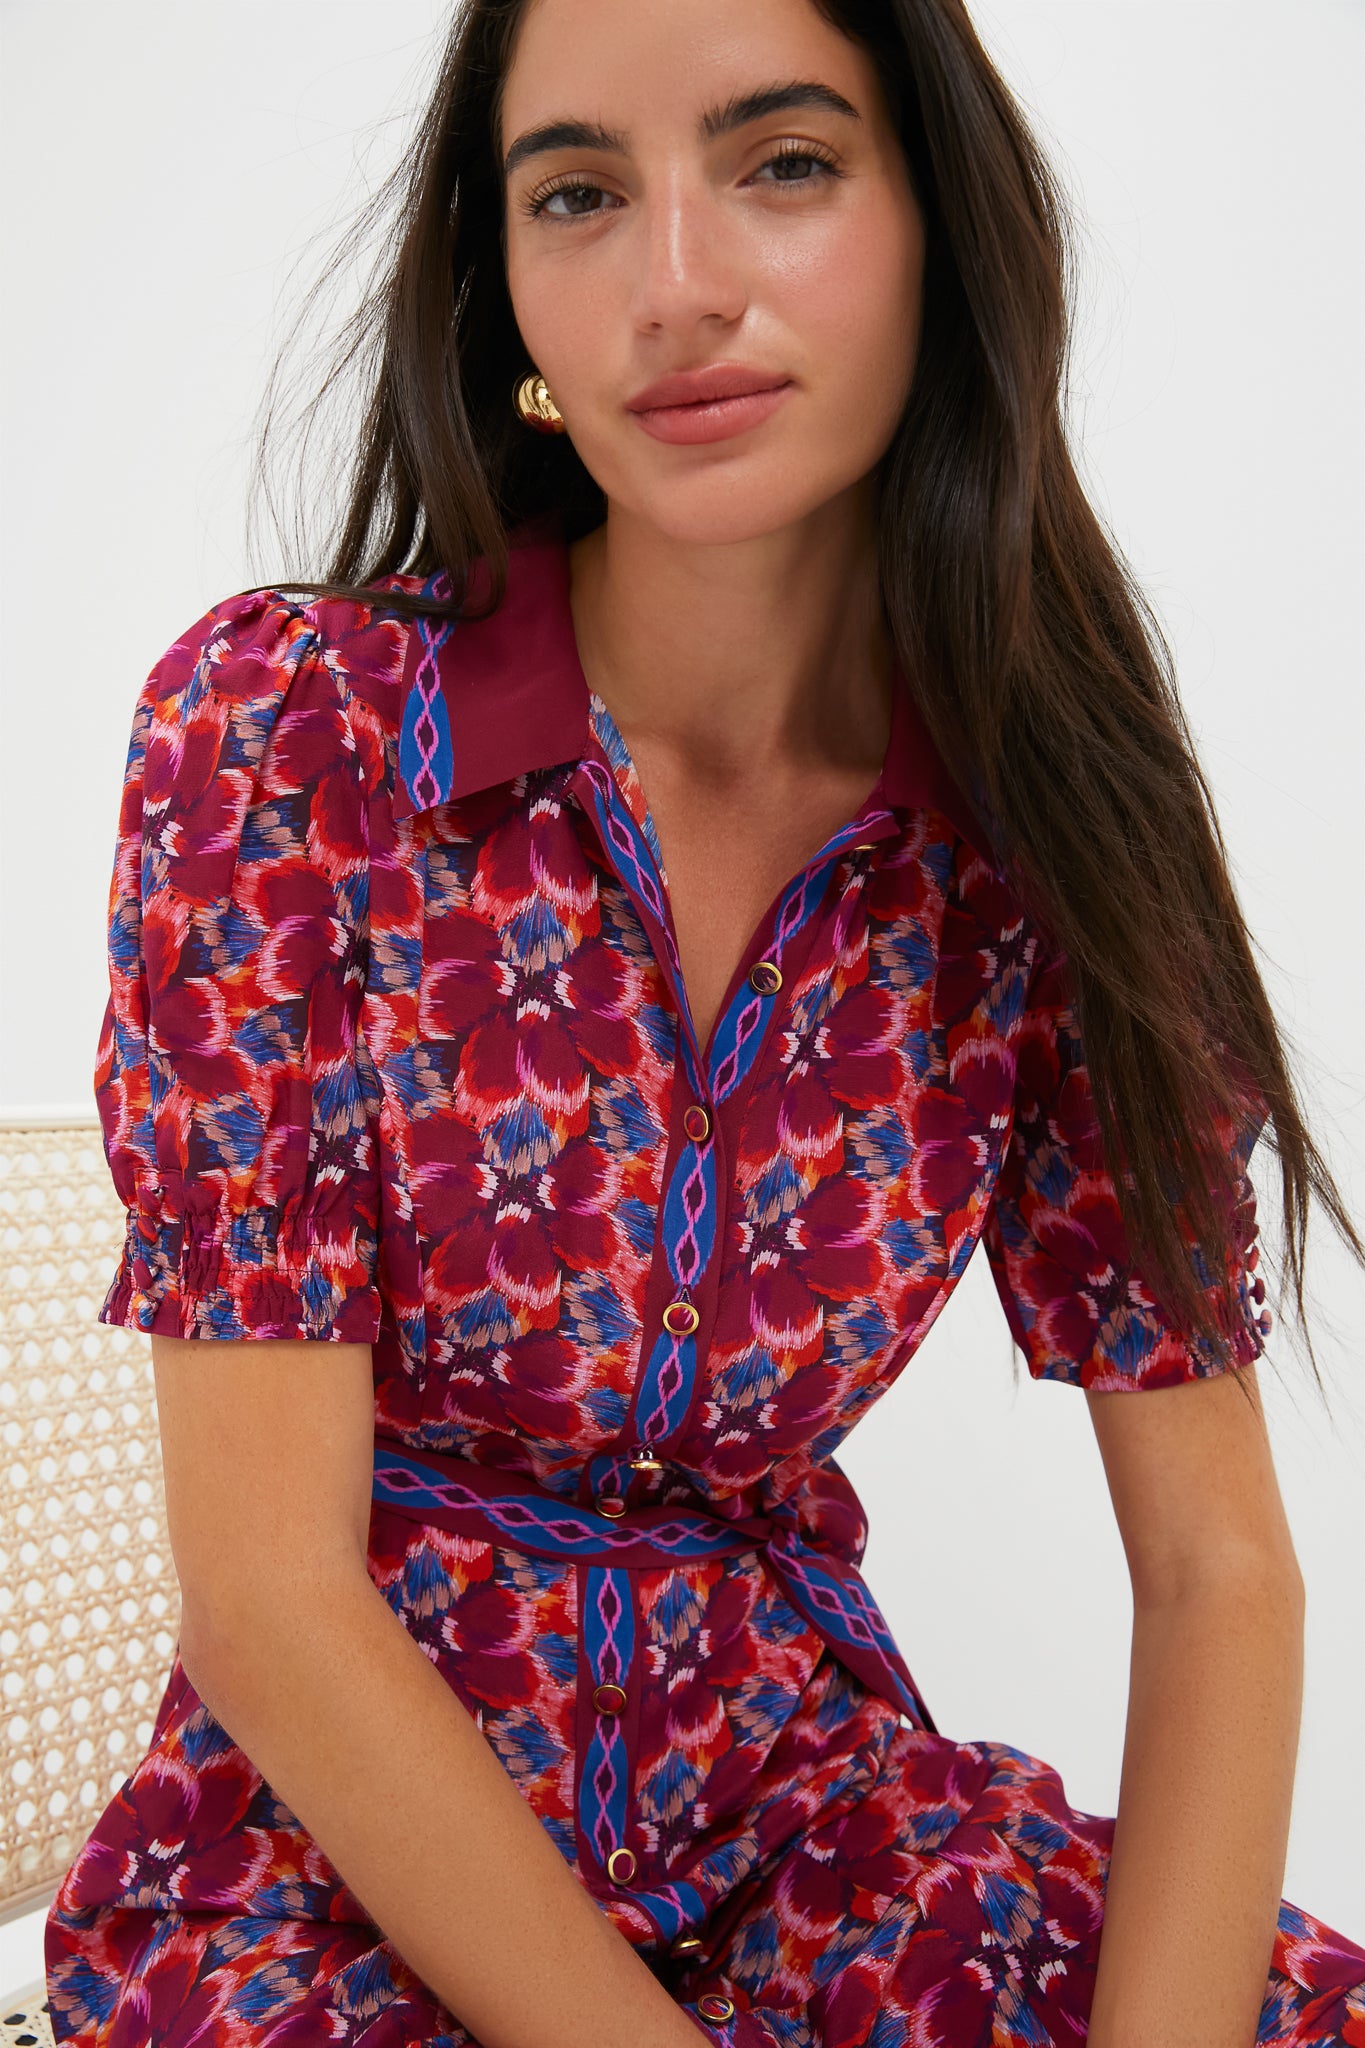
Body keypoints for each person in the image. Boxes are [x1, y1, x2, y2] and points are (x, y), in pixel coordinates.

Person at [43, 0, 1365, 2043]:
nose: (675, 282)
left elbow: (1217, 1570)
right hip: (335, 1867)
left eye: (781, 162)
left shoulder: (1045, 843)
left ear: (942, 228)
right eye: (578, 194)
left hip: (799, 1827)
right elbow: (268, 1595)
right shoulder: (284, 736)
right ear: (509, 298)